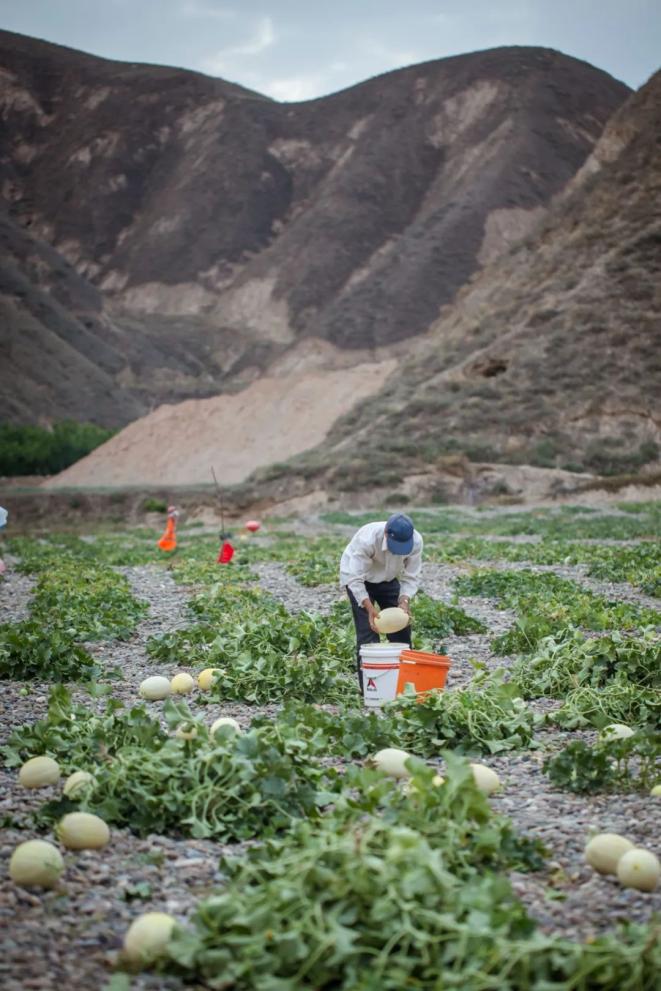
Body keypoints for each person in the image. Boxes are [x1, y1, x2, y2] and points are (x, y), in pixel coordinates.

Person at [339, 513, 423, 691]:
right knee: (368, 632)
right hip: (359, 579)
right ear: (386, 534)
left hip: (388, 578)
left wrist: (404, 600)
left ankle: (403, 684)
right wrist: (368, 607)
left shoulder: (416, 541)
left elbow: (411, 575)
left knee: (401, 629)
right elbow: (355, 579)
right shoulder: (367, 539)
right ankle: (370, 689)